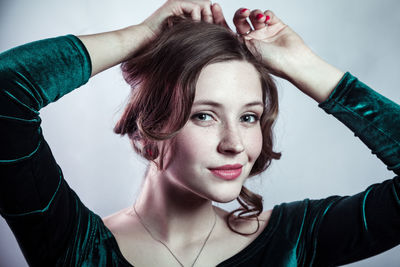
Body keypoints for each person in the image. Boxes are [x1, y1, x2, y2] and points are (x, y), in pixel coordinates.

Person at [0, 0, 399, 266]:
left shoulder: (298, 240)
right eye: (204, 116)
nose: (235, 144)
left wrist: (305, 67)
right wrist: (137, 37)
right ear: (150, 125)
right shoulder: (77, 248)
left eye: (249, 117)